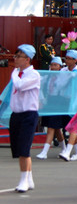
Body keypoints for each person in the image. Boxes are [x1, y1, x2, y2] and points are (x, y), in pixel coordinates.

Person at [9, 44, 40, 192]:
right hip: (16, 114)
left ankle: (23, 181)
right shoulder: (18, 74)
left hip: (28, 115)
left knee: (24, 149)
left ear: (27, 59)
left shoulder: (33, 75)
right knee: (18, 149)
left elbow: (20, 86)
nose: (15, 59)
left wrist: (14, 74)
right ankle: (29, 178)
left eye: (18, 56)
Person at [36, 57, 67, 160]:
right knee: (56, 128)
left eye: (55, 65)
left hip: (59, 102)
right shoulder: (47, 77)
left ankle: (44, 151)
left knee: (51, 127)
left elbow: (63, 86)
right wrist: (41, 100)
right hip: (49, 102)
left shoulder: (63, 77)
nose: (53, 67)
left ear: (60, 67)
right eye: (52, 65)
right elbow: (40, 87)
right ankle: (64, 148)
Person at [59, 49, 77, 162]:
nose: (67, 60)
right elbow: (59, 84)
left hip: (75, 102)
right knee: (68, 127)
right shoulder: (63, 70)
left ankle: (68, 151)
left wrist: (76, 103)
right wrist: (68, 77)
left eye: (70, 59)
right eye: (66, 58)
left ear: (75, 60)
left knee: (74, 127)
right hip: (64, 100)